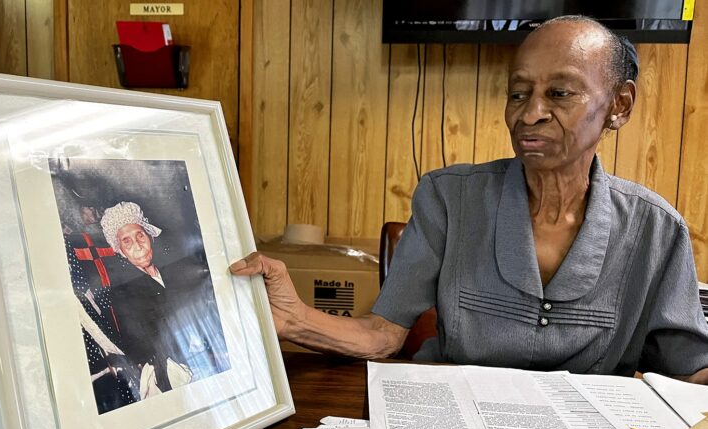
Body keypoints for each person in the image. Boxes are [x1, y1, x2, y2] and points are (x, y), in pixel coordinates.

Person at [230, 16, 708, 384]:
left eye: (559, 93)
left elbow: (689, 371)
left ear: (619, 105)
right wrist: (294, 319)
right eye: (518, 94)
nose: (531, 113)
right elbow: (383, 334)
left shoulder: (657, 230)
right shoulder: (448, 198)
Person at [100, 201, 230, 397]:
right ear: (121, 252)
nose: (137, 245)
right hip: (168, 369)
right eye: (127, 241)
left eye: (140, 235)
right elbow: (144, 344)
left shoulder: (173, 272)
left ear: (150, 237)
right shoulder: (123, 293)